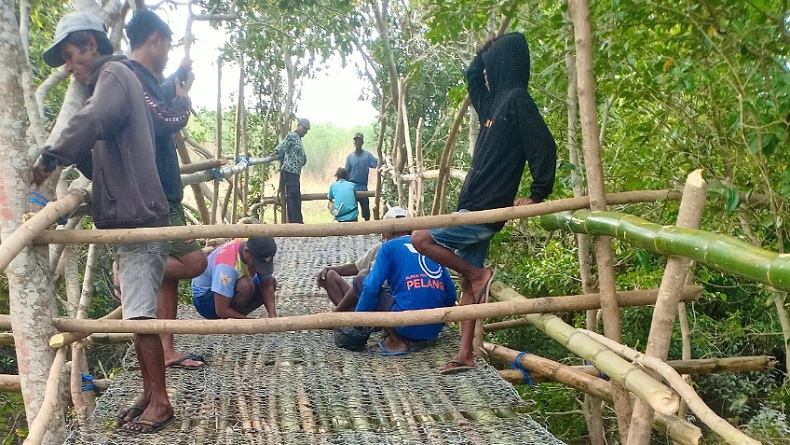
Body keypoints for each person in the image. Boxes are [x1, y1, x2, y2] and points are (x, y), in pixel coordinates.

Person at [31, 12, 174, 433]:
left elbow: (92, 120)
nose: (70, 67)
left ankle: (161, 402)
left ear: (92, 45)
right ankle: (151, 394)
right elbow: (102, 153)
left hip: (140, 219)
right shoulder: (120, 81)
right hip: (135, 215)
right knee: (137, 313)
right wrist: (76, 156)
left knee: (140, 317)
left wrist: (50, 156)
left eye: (72, 56)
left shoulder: (113, 75)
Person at [411, 33, 557, 374]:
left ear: (506, 64)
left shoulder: (518, 101)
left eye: (493, 64)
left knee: (421, 238)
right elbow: (473, 78)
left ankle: (480, 275)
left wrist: (537, 193)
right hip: (472, 205)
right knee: (467, 285)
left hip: (486, 210)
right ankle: (465, 354)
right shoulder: (493, 103)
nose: (487, 73)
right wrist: (481, 53)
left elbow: (544, 147)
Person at [126, 8, 208, 371]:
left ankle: (168, 348)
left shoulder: (148, 81)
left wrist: (183, 75)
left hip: (163, 191)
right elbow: (165, 121)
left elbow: (166, 92)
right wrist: (184, 102)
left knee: (168, 284)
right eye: (168, 44)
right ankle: (128, 269)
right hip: (156, 194)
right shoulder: (133, 78)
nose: (169, 52)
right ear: (154, 39)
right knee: (194, 261)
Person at [339, 232, 457, 356]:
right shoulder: (432, 247)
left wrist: (358, 323)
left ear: (389, 235)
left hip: (406, 324)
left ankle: (396, 341)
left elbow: (370, 287)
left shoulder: (389, 247)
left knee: (361, 281)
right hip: (433, 328)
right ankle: (414, 334)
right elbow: (451, 294)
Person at [316, 207, 410, 312]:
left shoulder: (409, 250)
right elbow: (356, 267)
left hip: (389, 298)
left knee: (363, 276)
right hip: (369, 293)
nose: (384, 239)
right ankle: (349, 316)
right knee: (332, 275)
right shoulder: (381, 248)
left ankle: (339, 316)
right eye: (383, 237)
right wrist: (329, 269)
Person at [191, 237, 278, 319]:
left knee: (271, 282)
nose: (258, 267)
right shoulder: (226, 267)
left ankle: (236, 316)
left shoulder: (254, 248)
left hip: (228, 286)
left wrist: (273, 317)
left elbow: (267, 286)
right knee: (246, 286)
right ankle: (233, 319)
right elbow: (221, 310)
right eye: (256, 263)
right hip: (204, 301)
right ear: (246, 252)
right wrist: (250, 323)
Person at [274, 118, 310, 224]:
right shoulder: (292, 136)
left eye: (307, 130)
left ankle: (297, 220)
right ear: (298, 126)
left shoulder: (298, 139)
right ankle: (295, 222)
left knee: (296, 196)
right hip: (290, 170)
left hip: (295, 172)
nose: (305, 131)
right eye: (304, 128)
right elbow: (283, 145)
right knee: (293, 196)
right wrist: (276, 151)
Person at [344, 132, 378, 221]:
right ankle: (353, 230)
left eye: (359, 141)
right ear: (354, 142)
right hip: (352, 186)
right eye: (356, 141)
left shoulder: (367, 155)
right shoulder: (350, 157)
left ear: (362, 142)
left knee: (366, 211)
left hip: (363, 187)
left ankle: (367, 230)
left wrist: (386, 160)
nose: (358, 143)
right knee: (352, 211)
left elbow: (376, 163)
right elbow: (347, 172)